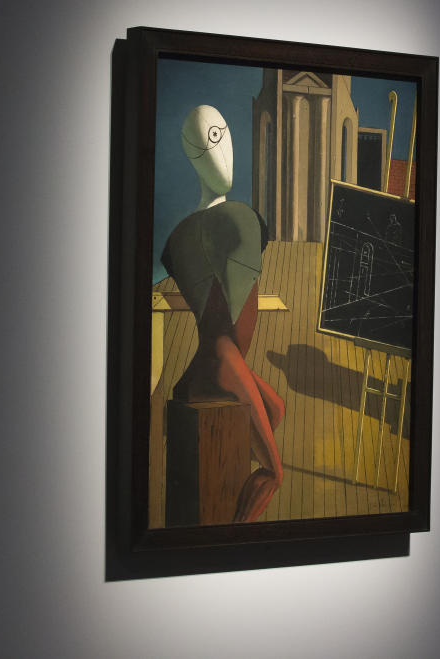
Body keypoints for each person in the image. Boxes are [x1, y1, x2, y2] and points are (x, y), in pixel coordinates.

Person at [162, 105, 284, 523]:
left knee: (276, 410)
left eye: (224, 134)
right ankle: (234, 538)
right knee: (272, 471)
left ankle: (227, 480)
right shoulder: (242, 220)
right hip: (225, 364)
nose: (224, 150)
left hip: (208, 364)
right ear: (193, 153)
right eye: (212, 140)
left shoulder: (178, 239)